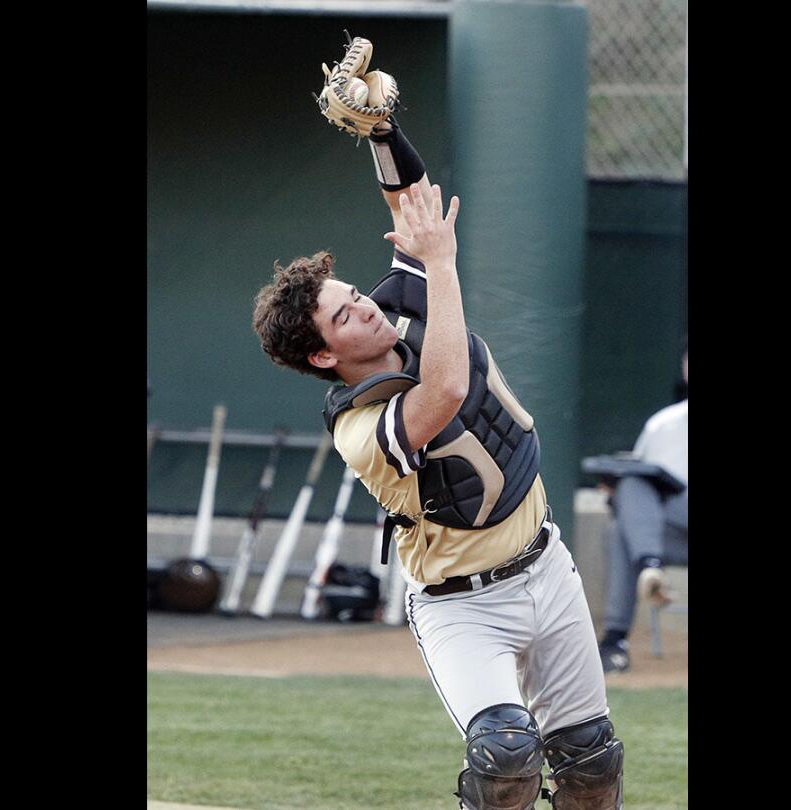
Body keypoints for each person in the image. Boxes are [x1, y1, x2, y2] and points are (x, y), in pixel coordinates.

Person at [250, 36, 623, 810]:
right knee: (507, 758)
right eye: (344, 314)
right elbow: (446, 390)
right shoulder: (360, 428)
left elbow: (411, 205)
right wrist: (443, 264)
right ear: (323, 358)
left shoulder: (398, 310)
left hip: (545, 566)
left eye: (354, 291)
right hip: (463, 605)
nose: (365, 304)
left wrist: (383, 132)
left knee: (592, 767)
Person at [597, 346, 688, 674]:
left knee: (627, 520)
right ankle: (650, 567)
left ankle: (614, 642)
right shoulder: (663, 424)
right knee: (631, 491)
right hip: (670, 532)